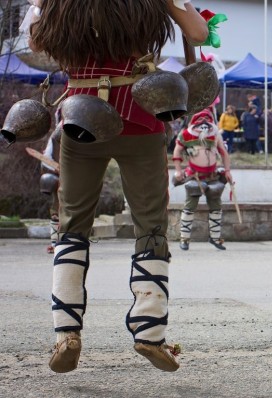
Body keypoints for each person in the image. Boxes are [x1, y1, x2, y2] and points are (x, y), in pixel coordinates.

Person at [25, 0, 209, 373]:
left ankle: (66, 334)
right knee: (151, 224)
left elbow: (34, 43)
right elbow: (198, 33)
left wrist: (36, 4)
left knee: (72, 225)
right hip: (140, 117)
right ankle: (150, 331)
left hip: (81, 117)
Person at [173, 109, 233, 252]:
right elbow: (177, 151)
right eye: (201, 119)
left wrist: (228, 170)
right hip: (194, 175)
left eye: (207, 119)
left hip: (212, 176)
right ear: (194, 121)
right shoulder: (186, 134)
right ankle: (184, 238)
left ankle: (215, 237)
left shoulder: (215, 134)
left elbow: (224, 153)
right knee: (190, 206)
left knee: (216, 207)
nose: (204, 123)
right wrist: (178, 170)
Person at [40, 124, 61, 254]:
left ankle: (70, 242)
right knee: (55, 212)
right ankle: (55, 243)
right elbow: (46, 159)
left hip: (75, 178)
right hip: (59, 179)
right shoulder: (56, 136)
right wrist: (56, 168)